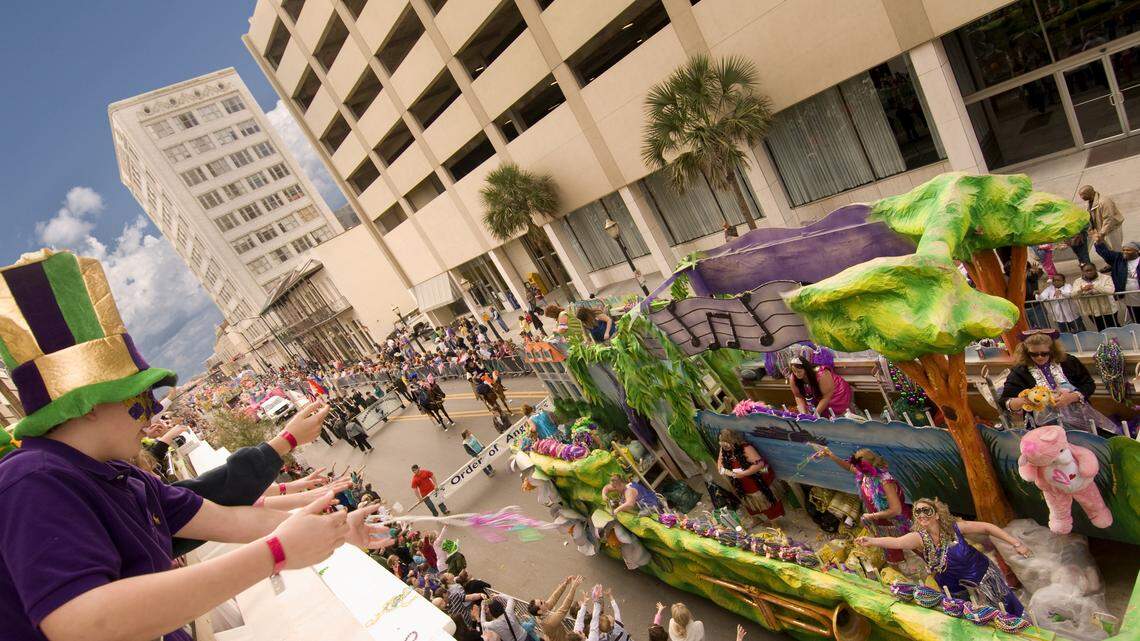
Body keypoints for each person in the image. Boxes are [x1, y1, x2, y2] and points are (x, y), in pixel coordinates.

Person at [0, 249, 392, 641]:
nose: (152, 413)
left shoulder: (124, 477)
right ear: (86, 404)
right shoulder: (31, 480)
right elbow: (83, 624)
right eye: (138, 397)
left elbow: (231, 519)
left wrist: (334, 532)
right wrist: (275, 554)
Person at [856, 497, 1029, 615]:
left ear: (937, 514)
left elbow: (987, 528)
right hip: (952, 584)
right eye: (918, 512)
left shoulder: (955, 528)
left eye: (926, 511)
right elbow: (897, 542)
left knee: (1004, 607)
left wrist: (1016, 543)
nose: (922, 515)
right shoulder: (919, 538)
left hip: (981, 575)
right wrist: (872, 540)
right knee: (971, 614)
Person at [999, 331, 1119, 434]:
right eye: (1034, 354)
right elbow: (1004, 401)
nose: (1039, 357)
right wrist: (1026, 400)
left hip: (1081, 419)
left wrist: (1072, 397)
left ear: (1052, 350)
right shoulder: (1020, 372)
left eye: (1044, 353)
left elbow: (1088, 384)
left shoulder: (1069, 362)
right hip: (1044, 428)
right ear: (1026, 352)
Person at [816, 446, 911, 562]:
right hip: (882, 523)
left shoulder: (885, 482)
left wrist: (872, 516)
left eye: (859, 469)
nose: (857, 471)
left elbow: (896, 510)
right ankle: (894, 573)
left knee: (915, 545)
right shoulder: (866, 475)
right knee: (890, 551)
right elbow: (850, 467)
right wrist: (831, 455)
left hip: (898, 521)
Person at [716, 430, 784, 523]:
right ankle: (757, 519)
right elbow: (720, 463)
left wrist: (744, 473)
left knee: (767, 501)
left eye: (727, 444)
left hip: (757, 479)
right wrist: (725, 471)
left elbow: (760, 464)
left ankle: (774, 521)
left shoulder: (746, 448)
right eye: (722, 444)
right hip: (741, 483)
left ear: (733, 441)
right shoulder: (723, 449)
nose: (724, 447)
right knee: (749, 502)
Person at [1093, 236, 1140, 322]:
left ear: (1137, 251)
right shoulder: (1119, 258)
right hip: (1129, 297)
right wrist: (1098, 243)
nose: (1125, 252)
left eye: (1128, 250)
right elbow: (1106, 253)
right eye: (1124, 250)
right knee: (1136, 318)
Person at [787, 356, 853, 417]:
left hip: (837, 392)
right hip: (819, 395)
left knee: (839, 414)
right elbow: (798, 396)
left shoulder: (822, 374)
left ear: (806, 369)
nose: (797, 374)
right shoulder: (793, 377)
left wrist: (815, 415)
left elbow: (826, 397)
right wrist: (804, 414)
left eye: (799, 371)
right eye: (794, 371)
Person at [533, 575, 582, 641]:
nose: (544, 601)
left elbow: (553, 598)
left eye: (541, 600)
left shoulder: (539, 614)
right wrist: (573, 588)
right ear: (539, 611)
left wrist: (565, 583)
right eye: (541, 603)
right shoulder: (550, 622)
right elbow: (564, 608)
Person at [1074, 262, 1118, 330]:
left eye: (1091, 270)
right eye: (1086, 271)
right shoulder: (1078, 281)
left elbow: (1110, 291)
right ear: (1083, 272)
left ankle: (1121, 339)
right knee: (1101, 329)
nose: (1089, 272)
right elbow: (1073, 295)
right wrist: (1081, 289)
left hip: (1108, 310)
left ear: (1095, 269)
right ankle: (1106, 340)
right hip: (1092, 312)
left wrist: (1094, 286)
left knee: (1114, 328)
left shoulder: (1106, 278)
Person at [1081, 185, 1124, 252]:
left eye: (1083, 194)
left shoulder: (1104, 202)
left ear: (1090, 193)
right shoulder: (1090, 203)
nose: (1082, 197)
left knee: (1116, 250)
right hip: (1102, 230)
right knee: (1108, 250)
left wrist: (1102, 233)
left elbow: (1109, 219)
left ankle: (1121, 262)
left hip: (1112, 229)